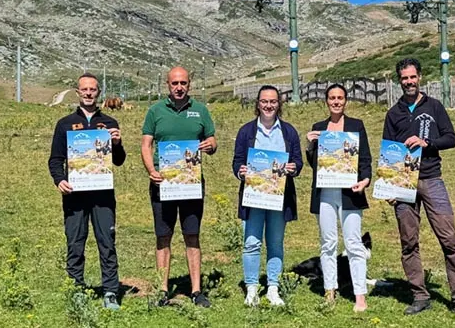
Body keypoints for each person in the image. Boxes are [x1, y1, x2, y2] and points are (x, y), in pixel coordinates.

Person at [383, 58, 455, 320]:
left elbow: (451, 138)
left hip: (432, 179)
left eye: (412, 77)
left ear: (420, 78)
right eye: (404, 78)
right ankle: (420, 295)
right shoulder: (393, 113)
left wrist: (427, 143)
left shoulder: (434, 106)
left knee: (448, 239)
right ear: (399, 80)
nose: (409, 82)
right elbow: (389, 152)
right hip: (404, 184)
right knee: (408, 241)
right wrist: (390, 185)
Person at [48, 73, 126, 310]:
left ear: (99, 92)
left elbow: (119, 161)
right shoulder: (65, 124)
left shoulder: (110, 123)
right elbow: (55, 159)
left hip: (102, 195)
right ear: (78, 92)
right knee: (75, 242)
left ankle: (110, 291)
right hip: (75, 194)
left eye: (93, 89)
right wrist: (59, 180)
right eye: (85, 89)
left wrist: (117, 144)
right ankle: (76, 288)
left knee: (106, 242)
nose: (89, 93)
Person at [141, 67, 217, 307]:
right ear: (167, 84)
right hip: (162, 184)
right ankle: (163, 290)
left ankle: (196, 290)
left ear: (189, 85)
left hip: (191, 184)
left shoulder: (201, 111)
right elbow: (146, 144)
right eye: (175, 83)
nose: (179, 87)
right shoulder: (155, 111)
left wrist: (210, 145)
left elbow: (212, 141)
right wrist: (151, 171)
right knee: (163, 237)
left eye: (183, 83)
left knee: (192, 235)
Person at [232, 85, 303, 307]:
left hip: (278, 198)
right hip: (253, 197)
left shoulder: (289, 132)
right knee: (251, 243)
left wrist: (293, 168)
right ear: (258, 103)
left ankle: (273, 288)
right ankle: (251, 288)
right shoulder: (246, 132)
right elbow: (237, 161)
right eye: (264, 101)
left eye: (273, 101)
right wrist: (240, 171)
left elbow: (298, 161)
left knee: (275, 243)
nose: (268, 105)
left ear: (278, 104)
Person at [306, 83, 372, 312]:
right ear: (326, 101)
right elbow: (313, 163)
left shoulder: (356, 126)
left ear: (346, 101)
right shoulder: (318, 127)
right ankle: (330, 290)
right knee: (328, 243)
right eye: (332, 98)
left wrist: (365, 181)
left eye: (340, 98)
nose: (336, 101)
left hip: (350, 193)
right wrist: (310, 144)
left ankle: (360, 295)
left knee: (354, 243)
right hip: (325, 193)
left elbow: (364, 159)